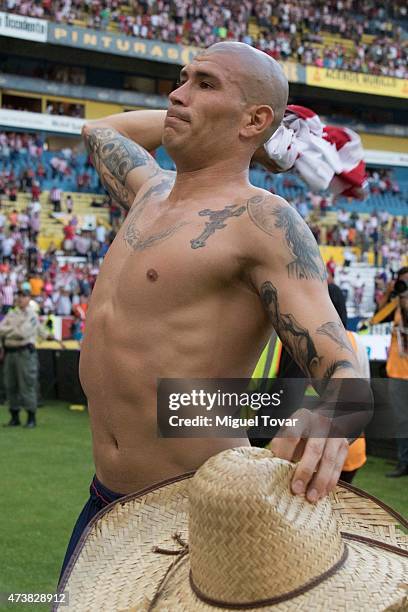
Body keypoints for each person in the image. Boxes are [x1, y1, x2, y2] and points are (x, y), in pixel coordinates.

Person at [59, 43, 367, 582]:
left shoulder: (264, 220)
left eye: (205, 84)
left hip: (196, 515)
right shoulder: (149, 192)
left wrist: (336, 416)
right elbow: (100, 131)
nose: (177, 94)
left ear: (255, 117)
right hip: (103, 502)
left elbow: (342, 365)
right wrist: (212, 120)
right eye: (182, 80)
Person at [0, 288, 52, 428]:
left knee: (27, 385)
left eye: (24, 296)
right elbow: (0, 330)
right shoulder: (12, 313)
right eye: (19, 296)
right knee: (10, 385)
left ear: (29, 298)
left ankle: (31, 417)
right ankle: (14, 416)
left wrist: (10, 330)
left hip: (25, 354)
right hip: (10, 353)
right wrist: (14, 330)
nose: (20, 299)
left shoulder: (32, 315)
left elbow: (23, 333)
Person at [385, 266, 408, 477]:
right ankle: (403, 463)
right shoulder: (395, 307)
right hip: (396, 372)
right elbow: (378, 315)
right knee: (401, 420)